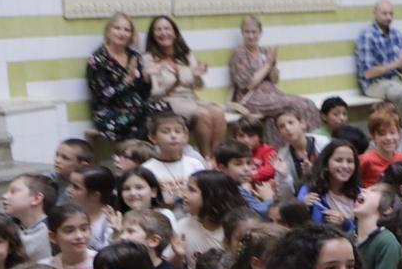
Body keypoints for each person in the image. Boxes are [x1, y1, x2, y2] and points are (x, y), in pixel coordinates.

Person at [145, 15, 228, 160]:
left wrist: (197, 75)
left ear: (175, 33)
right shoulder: (148, 58)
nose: (163, 33)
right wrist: (176, 82)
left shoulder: (186, 55)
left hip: (191, 98)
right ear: (153, 35)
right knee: (203, 114)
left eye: (167, 29)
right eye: (158, 30)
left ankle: (218, 157)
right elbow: (154, 94)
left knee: (218, 111)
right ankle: (206, 157)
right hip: (167, 101)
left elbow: (198, 86)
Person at [228, 15, 319, 129]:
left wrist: (272, 63)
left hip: (272, 94)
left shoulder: (264, 51)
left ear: (260, 33)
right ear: (242, 33)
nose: (251, 36)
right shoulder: (239, 53)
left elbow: (274, 79)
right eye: (247, 32)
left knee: (307, 103)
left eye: (254, 32)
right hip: (251, 98)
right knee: (295, 105)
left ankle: (310, 139)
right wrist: (268, 63)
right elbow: (249, 84)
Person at [87, 11, 165, 142]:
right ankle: (134, 155)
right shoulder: (98, 59)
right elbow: (102, 96)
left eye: (126, 30)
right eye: (117, 28)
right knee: (140, 118)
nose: (122, 33)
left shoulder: (134, 56)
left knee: (164, 110)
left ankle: (161, 154)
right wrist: (126, 82)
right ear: (108, 31)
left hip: (137, 108)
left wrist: (146, 78)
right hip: (111, 114)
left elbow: (143, 94)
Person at [353, 0, 402, 113]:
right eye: (384, 13)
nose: (388, 17)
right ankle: (398, 123)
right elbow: (368, 73)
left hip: (395, 79)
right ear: (375, 13)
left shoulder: (396, 34)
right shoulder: (367, 36)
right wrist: (396, 64)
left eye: (391, 14)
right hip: (373, 84)